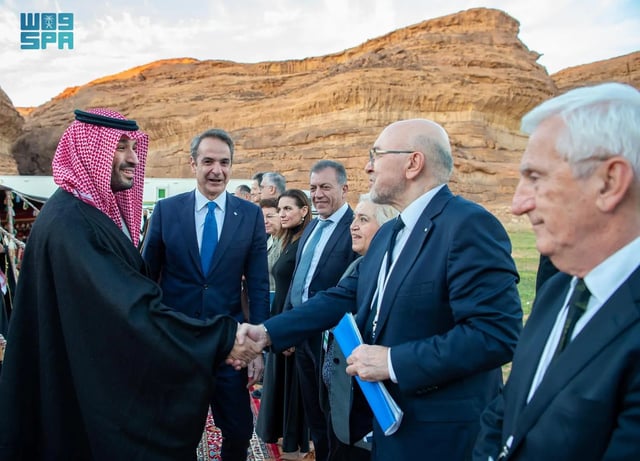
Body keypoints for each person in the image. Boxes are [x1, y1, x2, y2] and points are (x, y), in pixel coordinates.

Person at [234, 118, 522, 461]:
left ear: (413, 163)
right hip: (386, 427)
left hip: (441, 436)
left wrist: (393, 361)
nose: (368, 167)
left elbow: (495, 335)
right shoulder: (389, 233)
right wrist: (267, 332)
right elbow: (342, 296)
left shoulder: (467, 225)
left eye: (377, 155)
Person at [0, 109, 259, 460]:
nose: (134, 159)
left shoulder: (82, 216)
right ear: (90, 151)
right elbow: (131, 304)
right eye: (121, 147)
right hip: (82, 386)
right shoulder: (71, 225)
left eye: (134, 147)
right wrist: (222, 337)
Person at [473, 83, 640, 461]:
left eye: (535, 177)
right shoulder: (559, 289)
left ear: (609, 182)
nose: (518, 204)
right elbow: (506, 413)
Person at [142, 128, 270, 461]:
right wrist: (152, 334)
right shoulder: (166, 211)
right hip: (178, 342)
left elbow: (257, 284)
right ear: (193, 164)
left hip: (230, 343)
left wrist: (257, 347)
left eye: (224, 162)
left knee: (239, 429)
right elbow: (147, 277)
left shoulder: (250, 215)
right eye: (208, 161)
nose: (217, 170)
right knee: (176, 430)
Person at [286, 160, 358, 461]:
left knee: (332, 412)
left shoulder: (355, 227)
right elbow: (298, 279)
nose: (317, 195)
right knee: (312, 409)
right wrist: (290, 325)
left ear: (344, 188)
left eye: (325, 187)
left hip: (333, 340)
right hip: (304, 335)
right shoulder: (313, 226)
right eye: (313, 188)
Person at [321, 194, 398, 461]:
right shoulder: (360, 264)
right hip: (340, 400)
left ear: (387, 227)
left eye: (363, 219)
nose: (353, 226)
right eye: (354, 218)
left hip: (366, 409)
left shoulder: (389, 272)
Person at [256, 189, 312, 456]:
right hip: (281, 317)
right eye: (280, 210)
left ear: (304, 211)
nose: (282, 214)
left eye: (288, 209)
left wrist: (291, 330)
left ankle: (297, 442)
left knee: (293, 385)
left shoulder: (304, 242)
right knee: (282, 381)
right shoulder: (288, 240)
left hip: (290, 320)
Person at [260, 197, 284, 293]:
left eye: (269, 216)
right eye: (262, 217)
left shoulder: (286, 243)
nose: (265, 221)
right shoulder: (269, 239)